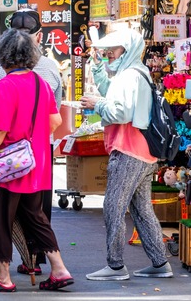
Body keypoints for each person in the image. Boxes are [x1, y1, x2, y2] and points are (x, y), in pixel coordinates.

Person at [0, 29, 73, 292]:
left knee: (0, 221)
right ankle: (59, 270)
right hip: (35, 163)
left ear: (3, 55)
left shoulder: (6, 85)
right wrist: (32, 137)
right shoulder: (41, 83)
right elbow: (55, 121)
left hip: (7, 168)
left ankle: (3, 278)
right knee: (35, 218)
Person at [81, 29, 173, 281]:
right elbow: (111, 91)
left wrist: (96, 104)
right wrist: (99, 67)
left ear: (128, 50)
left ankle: (115, 266)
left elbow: (119, 113)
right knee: (141, 209)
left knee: (113, 206)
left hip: (128, 151)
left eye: (115, 49)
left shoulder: (129, 76)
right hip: (144, 153)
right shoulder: (137, 73)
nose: (110, 53)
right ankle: (160, 262)